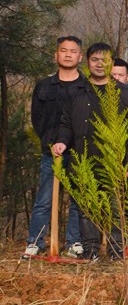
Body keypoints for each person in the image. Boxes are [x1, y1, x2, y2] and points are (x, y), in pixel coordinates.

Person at [52, 43, 128, 260]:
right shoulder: (76, 91)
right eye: (95, 60)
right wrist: (62, 141)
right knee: (87, 209)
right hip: (83, 158)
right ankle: (90, 250)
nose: (100, 64)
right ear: (87, 62)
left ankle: (116, 249)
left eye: (105, 60)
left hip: (114, 161)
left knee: (116, 207)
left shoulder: (124, 92)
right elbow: (66, 123)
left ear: (112, 62)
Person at [23, 36, 86, 259]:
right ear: (56, 55)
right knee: (44, 199)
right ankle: (35, 242)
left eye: (73, 51)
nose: (68, 54)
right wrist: (49, 143)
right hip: (51, 153)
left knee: (78, 199)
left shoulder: (86, 87)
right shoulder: (44, 86)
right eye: (63, 50)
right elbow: (37, 118)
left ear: (80, 56)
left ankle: (74, 241)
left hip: (78, 153)